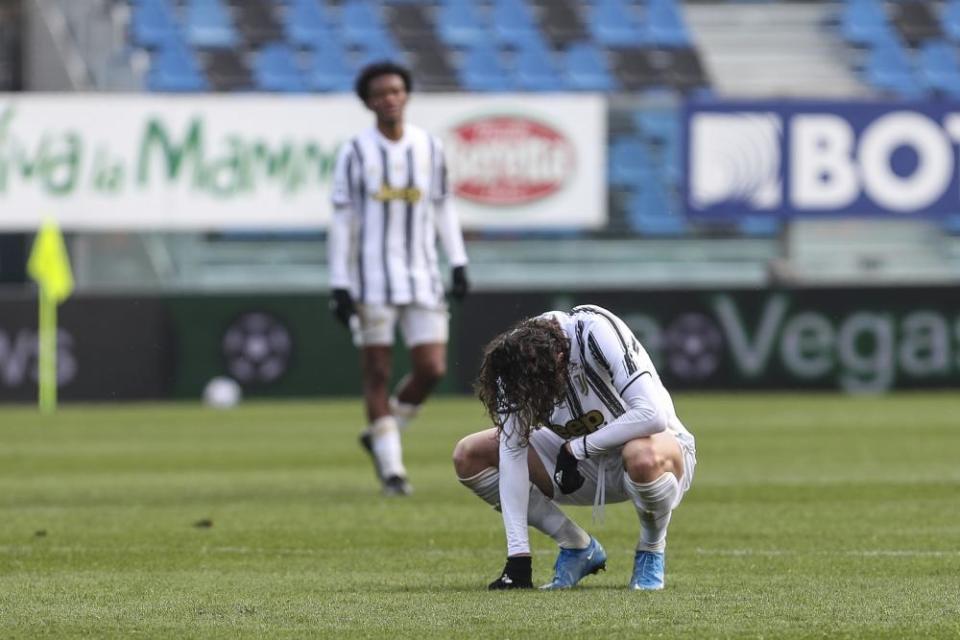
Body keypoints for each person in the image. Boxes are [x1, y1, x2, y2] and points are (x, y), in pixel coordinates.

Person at [453, 305, 696, 590]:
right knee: (469, 454)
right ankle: (577, 546)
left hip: (657, 455)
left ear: (559, 359)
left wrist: (578, 449)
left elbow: (651, 415)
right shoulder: (515, 360)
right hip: (573, 462)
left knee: (640, 456)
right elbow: (512, 449)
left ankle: (651, 549)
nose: (534, 397)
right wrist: (518, 558)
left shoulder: (595, 333)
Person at [328, 61, 469, 497]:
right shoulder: (355, 152)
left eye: (396, 90)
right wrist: (338, 281)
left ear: (406, 95)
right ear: (369, 102)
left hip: (422, 274)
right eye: (381, 93)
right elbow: (343, 217)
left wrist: (459, 261)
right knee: (377, 372)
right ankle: (393, 471)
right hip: (371, 280)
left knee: (431, 368)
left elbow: (443, 206)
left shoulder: (428, 147)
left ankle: (381, 435)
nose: (390, 98)